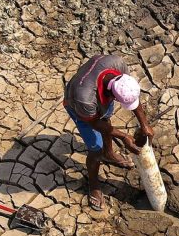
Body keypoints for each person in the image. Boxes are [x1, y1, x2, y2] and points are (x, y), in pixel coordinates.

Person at [63, 55, 155, 209]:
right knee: (95, 149)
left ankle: (109, 154)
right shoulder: (84, 98)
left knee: (106, 120)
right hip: (77, 107)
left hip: (96, 99)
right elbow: (94, 123)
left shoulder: (118, 65)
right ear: (112, 94)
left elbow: (127, 99)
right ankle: (93, 185)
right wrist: (125, 137)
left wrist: (144, 124)